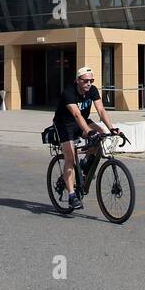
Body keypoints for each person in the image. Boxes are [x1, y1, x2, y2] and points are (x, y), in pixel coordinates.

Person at [54, 66, 121, 211]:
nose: (89, 84)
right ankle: (72, 196)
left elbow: (101, 110)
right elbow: (76, 114)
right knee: (70, 157)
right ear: (77, 80)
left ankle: (85, 163)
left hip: (82, 121)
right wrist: (88, 132)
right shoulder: (68, 92)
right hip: (65, 124)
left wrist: (112, 128)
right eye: (85, 81)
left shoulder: (92, 90)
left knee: (101, 133)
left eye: (91, 80)